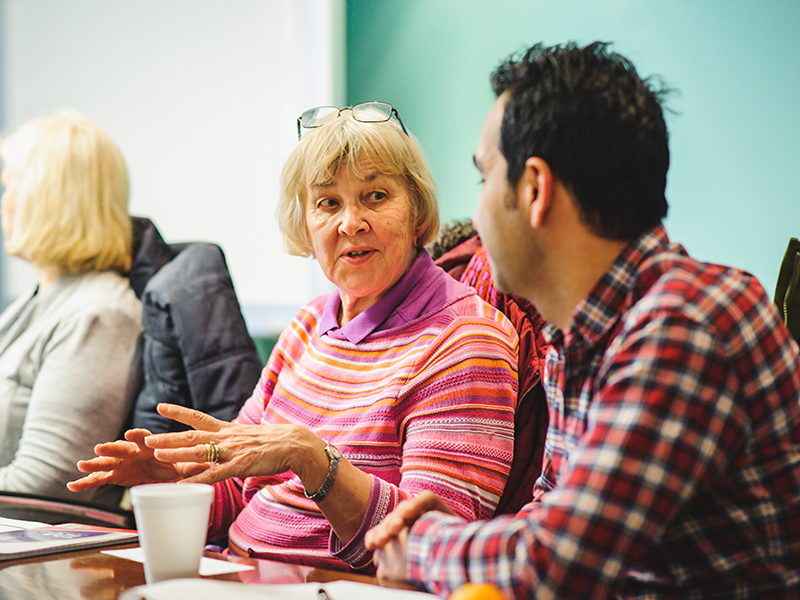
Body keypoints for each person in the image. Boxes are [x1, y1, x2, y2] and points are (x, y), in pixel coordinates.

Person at [364, 42, 800, 599]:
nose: (475, 214)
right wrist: (448, 538)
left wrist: (421, 543)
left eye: (484, 181)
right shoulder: (576, 337)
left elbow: (552, 566)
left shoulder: (685, 326)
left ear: (535, 190)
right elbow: (548, 521)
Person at [68, 101, 519, 570]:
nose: (350, 222)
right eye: (328, 202)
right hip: (238, 572)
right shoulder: (309, 324)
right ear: (305, 222)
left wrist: (312, 458)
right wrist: (177, 476)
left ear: (418, 211)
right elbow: (239, 493)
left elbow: (430, 546)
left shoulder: (465, 342)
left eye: (376, 196)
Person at [0, 111, 142, 508]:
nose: (4, 203)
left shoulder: (97, 315)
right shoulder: (40, 296)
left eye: (9, 187)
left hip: (40, 548)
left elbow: (41, 484)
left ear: (44, 198)